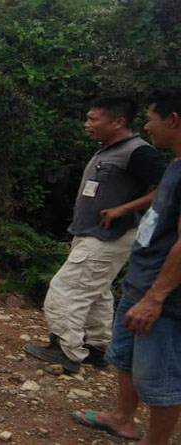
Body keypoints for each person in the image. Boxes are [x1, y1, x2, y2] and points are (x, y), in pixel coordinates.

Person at [23, 96, 167, 373]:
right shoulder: (108, 149)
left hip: (110, 235)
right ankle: (96, 348)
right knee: (96, 291)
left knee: (66, 290)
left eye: (92, 119)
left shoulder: (137, 152)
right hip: (92, 233)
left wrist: (124, 208)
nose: (86, 124)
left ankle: (67, 351)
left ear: (118, 122)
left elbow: (168, 185)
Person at [71, 87, 181, 445]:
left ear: (173, 120)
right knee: (125, 355)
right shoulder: (175, 165)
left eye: (150, 119)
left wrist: (156, 297)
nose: (147, 127)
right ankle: (121, 418)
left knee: (160, 374)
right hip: (141, 280)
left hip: (163, 295)